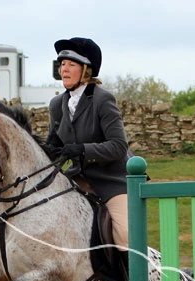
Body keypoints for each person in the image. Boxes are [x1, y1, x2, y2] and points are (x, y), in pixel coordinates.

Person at [44, 37, 130, 252]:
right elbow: (53, 146)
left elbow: (119, 146)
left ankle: (133, 273)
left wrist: (82, 150)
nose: (64, 69)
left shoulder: (103, 100)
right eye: (62, 64)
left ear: (86, 71)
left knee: (124, 236)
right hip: (79, 179)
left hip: (112, 181)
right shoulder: (57, 104)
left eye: (71, 64)